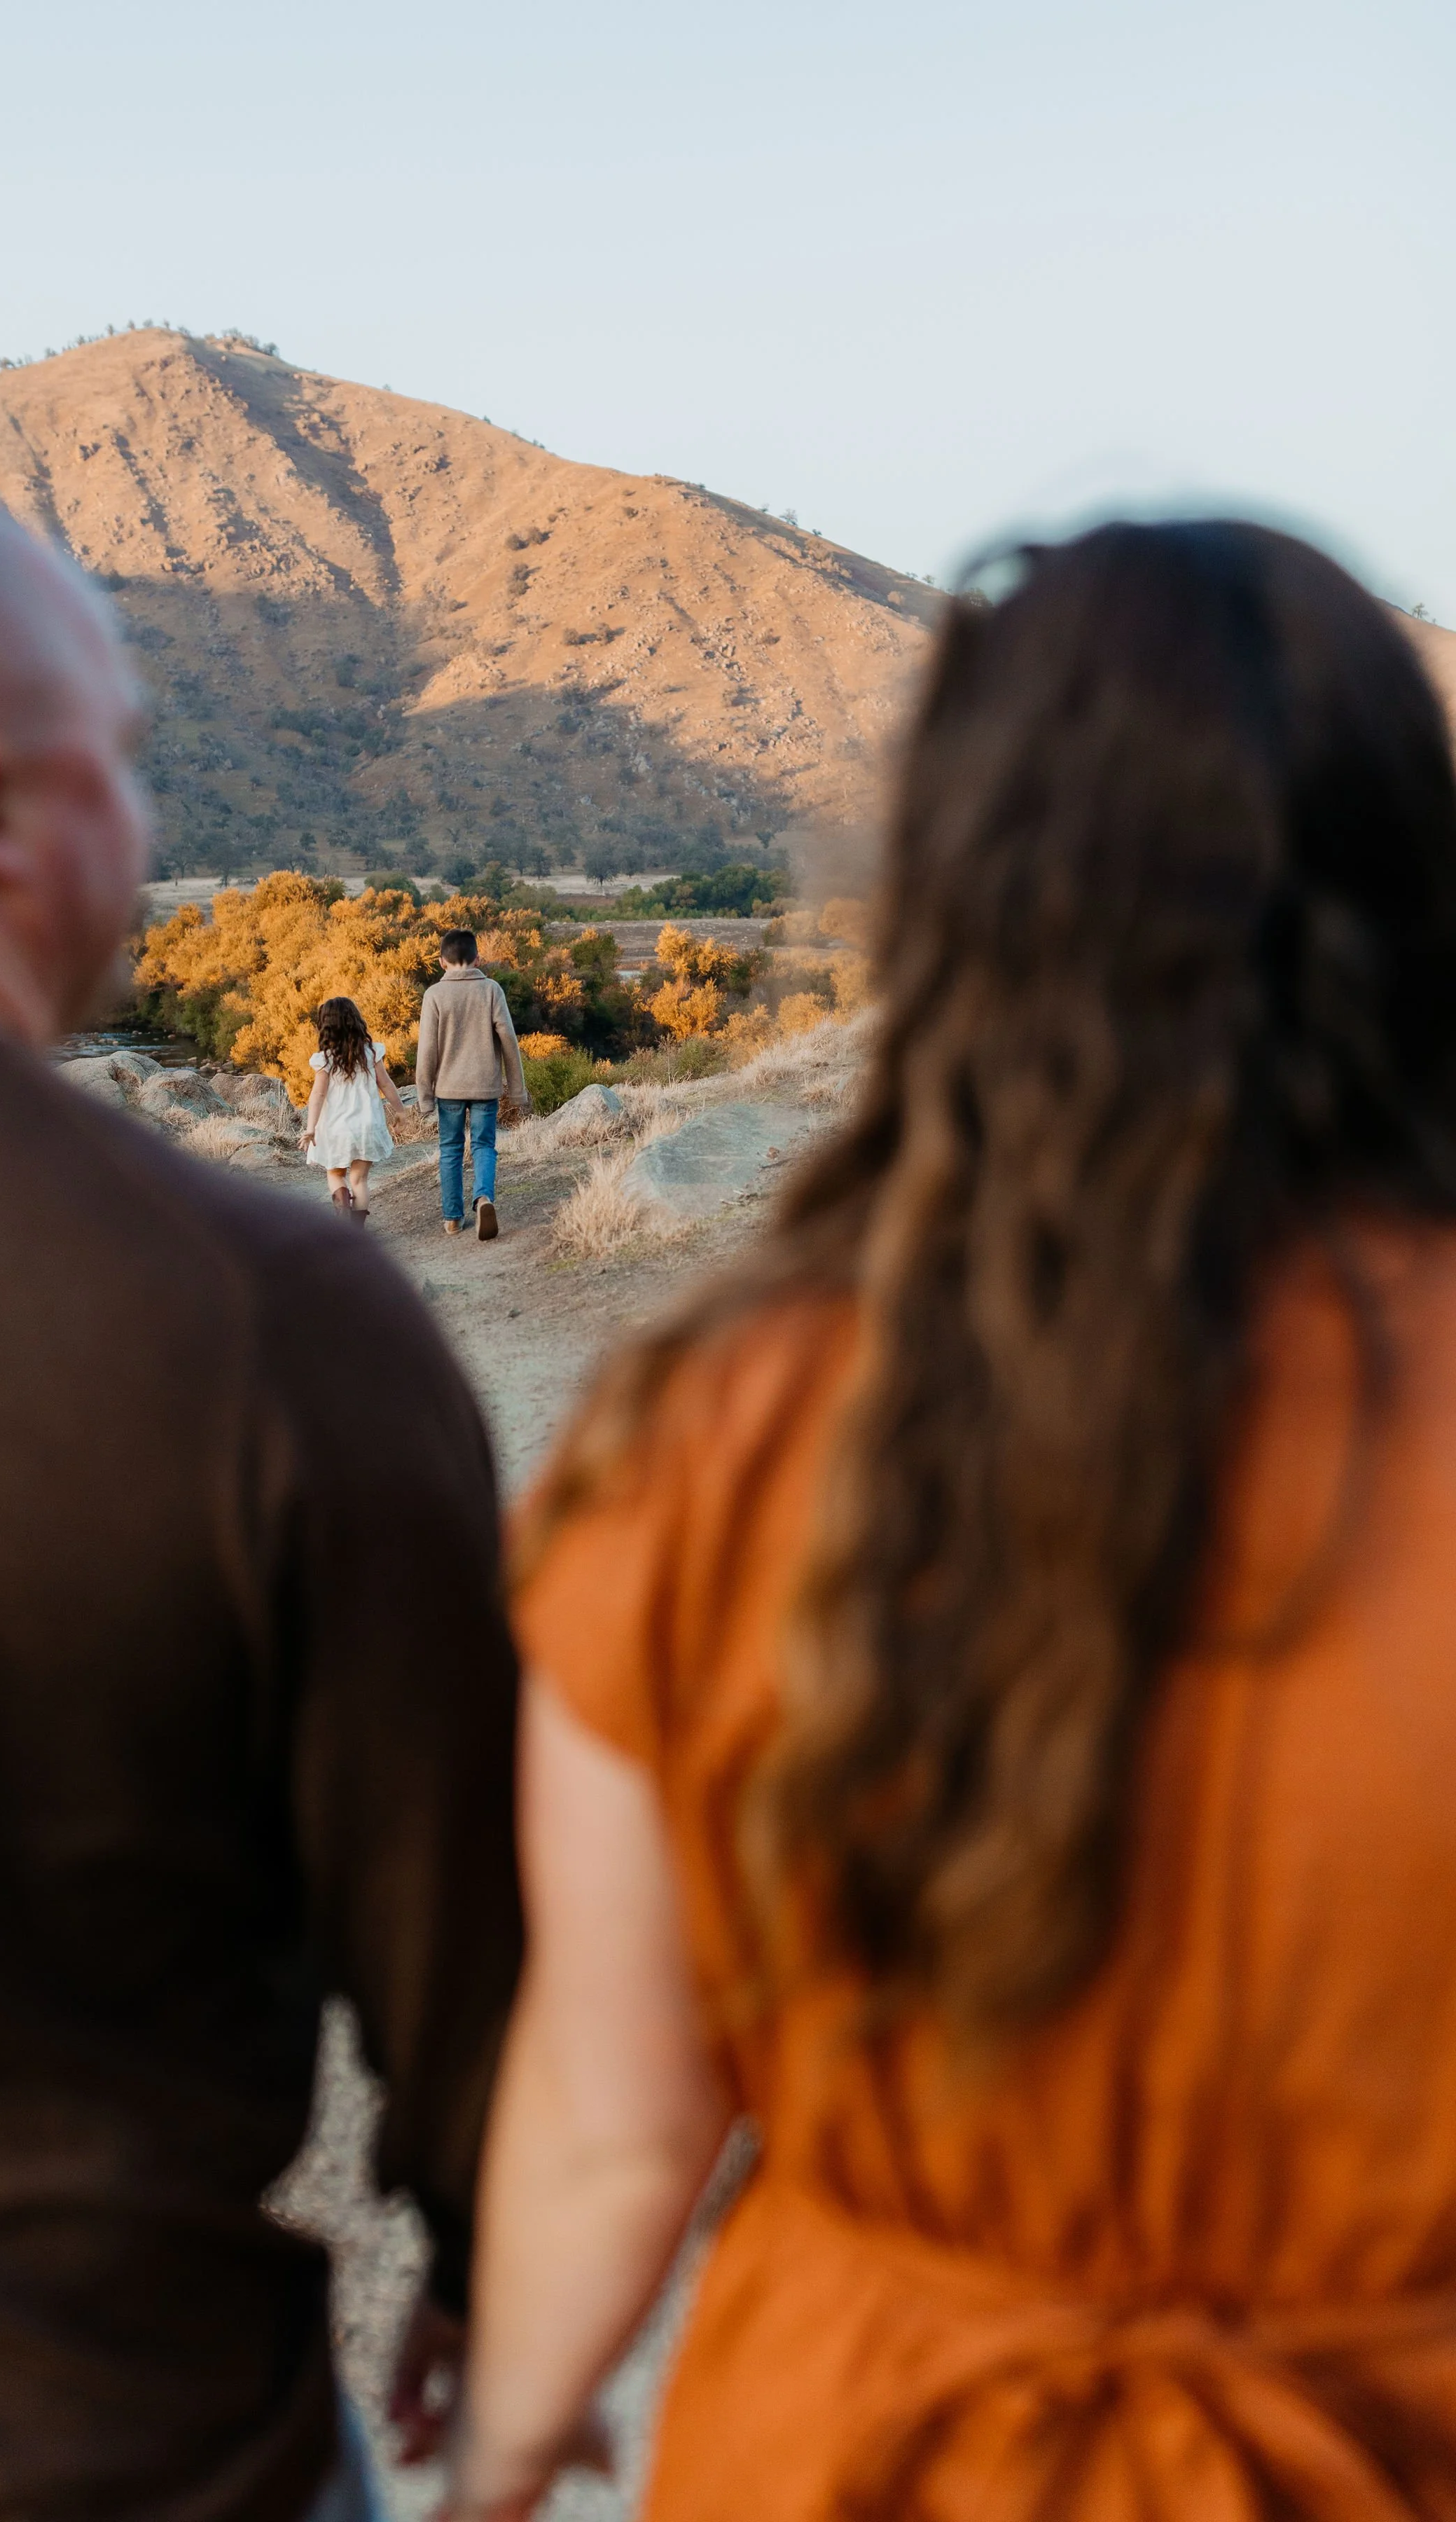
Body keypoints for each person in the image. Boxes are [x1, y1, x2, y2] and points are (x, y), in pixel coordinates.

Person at [452, 521, 1456, 2520]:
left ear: (947, 902)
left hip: (851, 2454)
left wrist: (512, 2438)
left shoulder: (703, 1440)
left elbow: (613, 2122)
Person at [0, 478, 522, 2522]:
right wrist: (479, 2256)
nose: (147, 825)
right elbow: (465, 1944)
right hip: (126, 2448)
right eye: (119, 757)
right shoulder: (263, 1319)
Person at [415, 928, 528, 1240]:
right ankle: (484, 1198)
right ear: (478, 958)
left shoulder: (434, 995)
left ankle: (452, 1218)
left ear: (441, 962)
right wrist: (517, 1091)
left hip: (448, 1089)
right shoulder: (491, 989)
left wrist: (424, 1096)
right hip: (485, 1086)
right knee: (483, 1146)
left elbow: (427, 1049)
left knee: (450, 1148)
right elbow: (509, 1039)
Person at [299, 992, 407, 1225]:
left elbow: (317, 1094)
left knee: (336, 1174)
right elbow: (386, 1084)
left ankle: (341, 1206)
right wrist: (400, 1111)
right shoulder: (371, 1052)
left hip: (336, 1127)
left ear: (326, 1027)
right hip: (367, 1126)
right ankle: (356, 1230)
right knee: (359, 1180)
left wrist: (311, 1128)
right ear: (356, 1022)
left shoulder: (325, 1059)